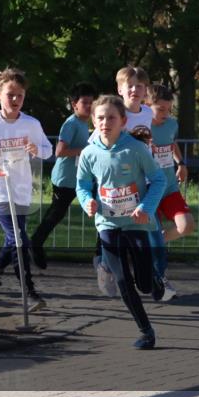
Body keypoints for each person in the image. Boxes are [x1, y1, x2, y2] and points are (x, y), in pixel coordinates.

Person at [76, 94, 167, 349]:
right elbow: (82, 185)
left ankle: (155, 279)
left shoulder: (135, 149)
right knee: (123, 281)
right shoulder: (89, 153)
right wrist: (87, 202)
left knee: (145, 284)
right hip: (107, 223)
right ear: (93, 121)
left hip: (137, 222)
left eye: (111, 118)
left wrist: (145, 207)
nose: (105, 122)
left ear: (123, 121)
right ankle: (146, 331)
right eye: (100, 118)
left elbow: (158, 179)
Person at [0, 68, 53, 312]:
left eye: (19, 96)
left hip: (22, 189)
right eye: (10, 95)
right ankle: (30, 292)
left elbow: (48, 150)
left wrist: (36, 149)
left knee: (15, 238)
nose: (14, 100)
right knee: (19, 238)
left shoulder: (31, 124)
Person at [91, 66, 154, 297]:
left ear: (146, 90)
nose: (135, 90)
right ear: (120, 89)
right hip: (113, 182)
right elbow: (94, 142)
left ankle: (148, 276)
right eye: (130, 86)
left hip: (140, 178)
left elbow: (149, 137)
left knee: (140, 227)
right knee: (112, 226)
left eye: (139, 86)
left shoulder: (148, 113)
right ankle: (106, 264)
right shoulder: (112, 113)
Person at [29, 81, 97, 270]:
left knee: (101, 208)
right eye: (85, 103)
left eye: (92, 102)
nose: (89, 106)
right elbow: (59, 151)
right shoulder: (71, 123)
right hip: (66, 179)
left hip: (80, 178)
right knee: (55, 215)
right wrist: (86, 150)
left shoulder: (85, 123)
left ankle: (102, 253)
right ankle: (35, 243)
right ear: (74, 104)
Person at [146, 83, 194, 300]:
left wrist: (181, 163)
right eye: (161, 110)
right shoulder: (140, 125)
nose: (166, 114)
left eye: (169, 109)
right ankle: (160, 281)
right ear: (148, 105)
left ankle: (155, 241)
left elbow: (172, 143)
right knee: (154, 240)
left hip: (169, 186)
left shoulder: (171, 123)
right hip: (148, 189)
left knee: (187, 225)